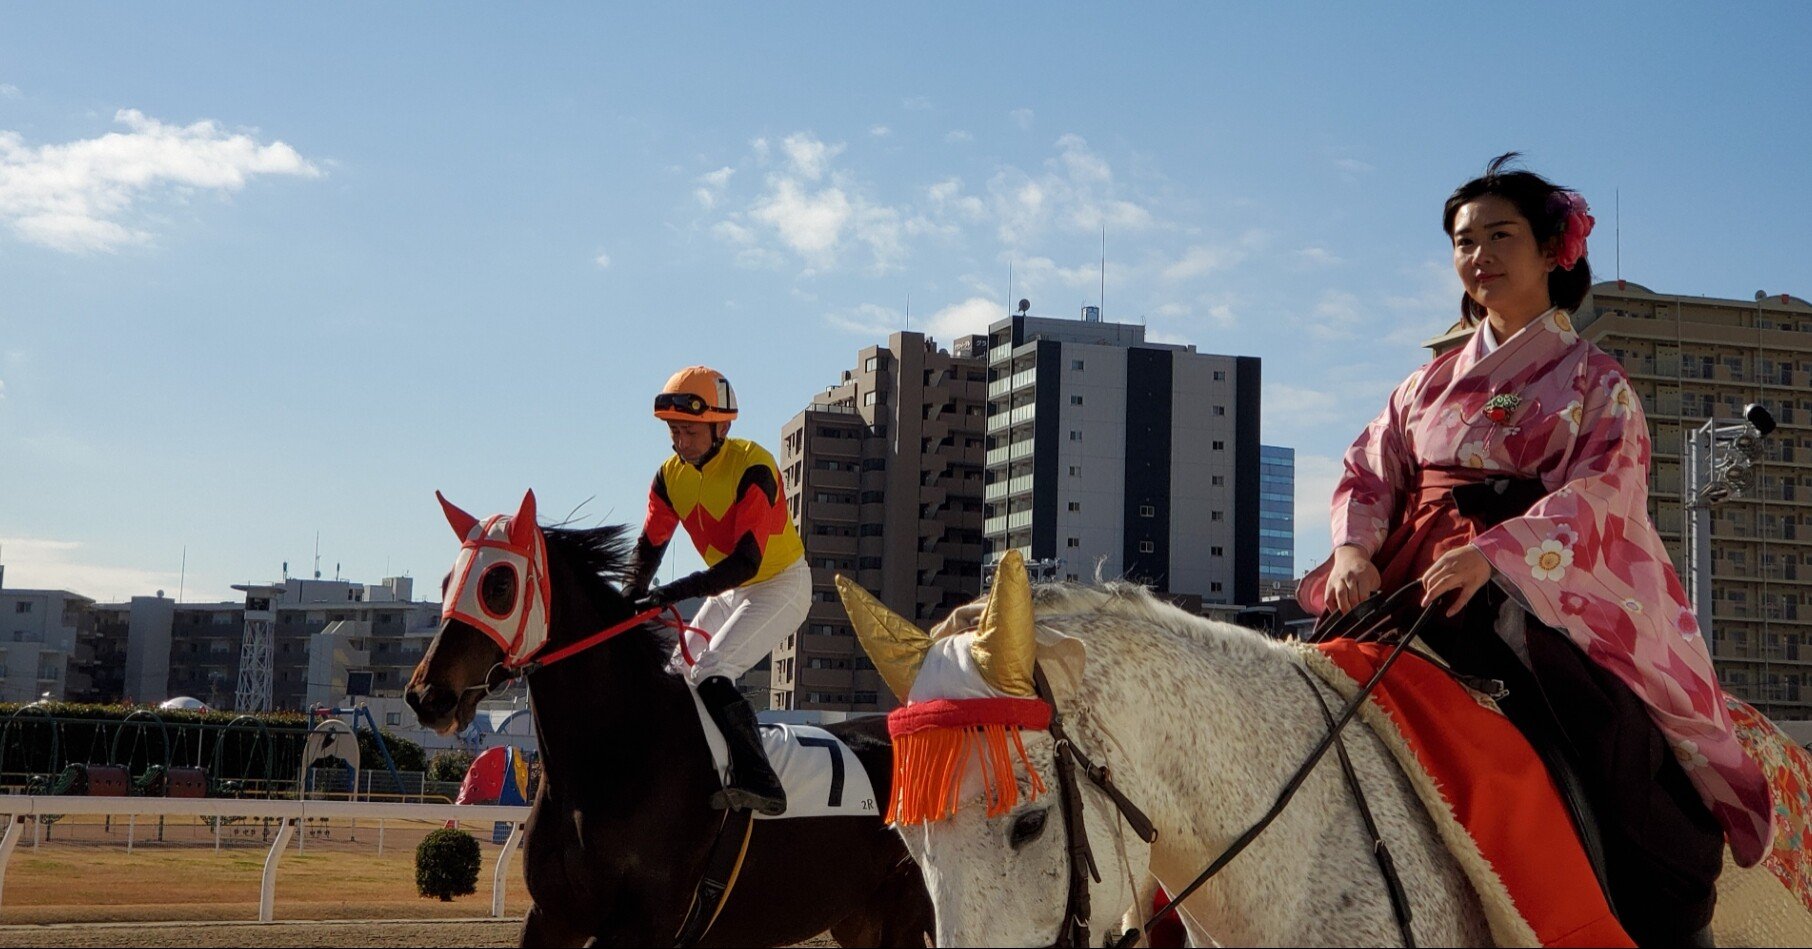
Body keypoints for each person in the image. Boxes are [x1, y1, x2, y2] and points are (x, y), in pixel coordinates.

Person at [1300, 153, 1773, 947]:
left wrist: (1499, 554)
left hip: (1532, 584)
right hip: (1411, 570)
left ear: (1553, 248)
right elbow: (1369, 469)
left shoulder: (1595, 380)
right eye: (1463, 239)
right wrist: (1352, 551)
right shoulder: (1423, 386)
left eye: (1498, 234)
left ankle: (1657, 914)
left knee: (1604, 732)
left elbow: (1604, 491)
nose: (1477, 253)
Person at [626, 365, 810, 816]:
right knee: (674, 676)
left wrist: (669, 593)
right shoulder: (668, 477)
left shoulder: (755, 467)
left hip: (780, 584)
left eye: (689, 431)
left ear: (721, 426)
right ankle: (690, 769)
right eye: (674, 431)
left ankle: (761, 781)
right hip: (731, 588)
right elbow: (648, 550)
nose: (679, 442)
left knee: (711, 668)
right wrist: (623, 603)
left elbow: (745, 562)